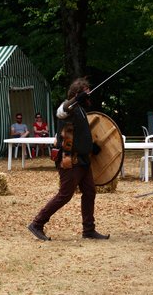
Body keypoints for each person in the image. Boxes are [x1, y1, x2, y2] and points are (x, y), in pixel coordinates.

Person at [28, 77, 109, 241]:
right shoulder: (69, 108)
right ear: (77, 94)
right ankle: (37, 223)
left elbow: (79, 133)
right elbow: (61, 111)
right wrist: (74, 100)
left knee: (89, 191)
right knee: (64, 195)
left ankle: (89, 230)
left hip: (83, 160)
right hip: (69, 160)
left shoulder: (80, 110)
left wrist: (91, 146)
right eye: (86, 92)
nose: (89, 95)